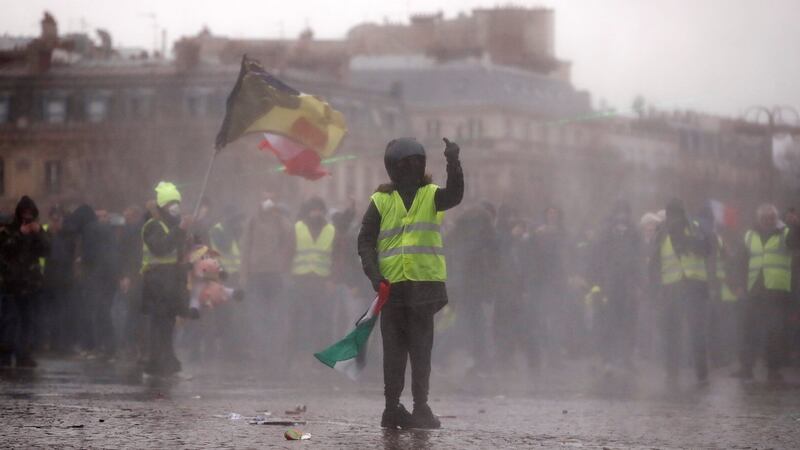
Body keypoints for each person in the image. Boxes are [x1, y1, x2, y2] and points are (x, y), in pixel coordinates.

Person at [357, 137, 463, 429]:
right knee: (395, 352)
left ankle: (419, 407)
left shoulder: (431, 195)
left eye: (415, 164)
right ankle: (393, 408)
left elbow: (454, 195)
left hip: (423, 287)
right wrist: (374, 275)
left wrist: (453, 163)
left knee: (419, 350)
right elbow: (365, 240)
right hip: (392, 288)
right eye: (405, 165)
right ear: (393, 169)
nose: (411, 169)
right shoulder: (381, 201)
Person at [649, 199, 711, 386]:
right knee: (671, 333)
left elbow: (707, 248)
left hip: (693, 287)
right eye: (671, 214)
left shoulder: (694, 228)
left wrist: (686, 241)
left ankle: (701, 371)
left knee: (696, 332)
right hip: (671, 289)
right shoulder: (661, 233)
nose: (674, 218)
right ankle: (672, 372)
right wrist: (654, 289)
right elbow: (654, 263)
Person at [734, 203, 799, 382]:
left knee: (774, 331)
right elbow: (740, 262)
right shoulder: (749, 235)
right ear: (759, 219)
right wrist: (739, 285)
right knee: (749, 330)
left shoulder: (786, 233)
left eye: (771, 218)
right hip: (754, 289)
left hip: (777, 290)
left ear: (776, 219)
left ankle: (773, 369)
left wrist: (795, 224)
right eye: (764, 218)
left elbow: (795, 242)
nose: (767, 221)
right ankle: (746, 367)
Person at [141, 182, 192, 376]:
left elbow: (178, 251)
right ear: (163, 205)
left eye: (177, 202)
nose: (175, 207)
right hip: (157, 281)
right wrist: (179, 230)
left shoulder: (172, 225)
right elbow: (161, 248)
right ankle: (156, 361)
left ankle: (167, 358)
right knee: (159, 323)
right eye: (171, 203)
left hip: (172, 281)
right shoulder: (153, 225)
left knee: (168, 323)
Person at [241, 191, 293, 363]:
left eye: (271, 198)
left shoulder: (281, 222)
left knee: (276, 314)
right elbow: (245, 248)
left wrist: (285, 267)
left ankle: (274, 351)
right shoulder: (253, 221)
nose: (267, 202)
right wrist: (244, 274)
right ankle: (261, 350)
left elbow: (290, 244)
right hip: (256, 275)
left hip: (275, 274)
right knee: (257, 315)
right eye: (264, 198)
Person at [0, 196, 51, 367]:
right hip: (11, 282)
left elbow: (47, 250)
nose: (27, 217)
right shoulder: (8, 229)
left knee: (28, 320)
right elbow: (5, 248)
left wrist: (38, 234)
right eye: (24, 213)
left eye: (30, 214)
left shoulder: (39, 230)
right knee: (10, 320)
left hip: (31, 283)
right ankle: (6, 354)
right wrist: (20, 234)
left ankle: (24, 354)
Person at [593, 200, 641, 370]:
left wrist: (638, 283)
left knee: (629, 322)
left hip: (628, 283)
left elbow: (639, 258)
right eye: (619, 212)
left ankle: (627, 357)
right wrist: (599, 282)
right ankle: (607, 358)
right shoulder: (606, 232)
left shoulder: (634, 232)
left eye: (625, 212)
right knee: (608, 321)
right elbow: (598, 257)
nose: (622, 216)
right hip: (609, 283)